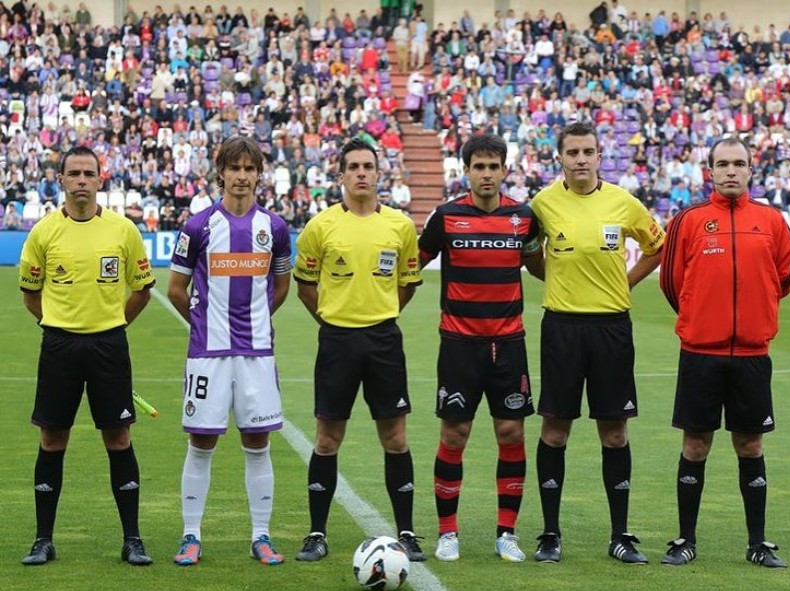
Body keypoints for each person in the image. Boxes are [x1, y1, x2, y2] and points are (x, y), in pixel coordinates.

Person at [526, 122, 665, 564]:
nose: (581, 159)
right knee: (555, 429)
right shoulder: (543, 204)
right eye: (573, 152)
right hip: (562, 328)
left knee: (615, 430)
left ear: (600, 156)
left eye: (589, 151)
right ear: (560, 158)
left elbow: (657, 247)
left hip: (611, 328)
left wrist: (626, 282)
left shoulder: (624, 202)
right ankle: (550, 534)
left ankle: (620, 535)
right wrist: (561, 280)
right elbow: (530, 254)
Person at [658, 137, 790, 568]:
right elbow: (671, 282)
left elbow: (784, 278)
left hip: (753, 354)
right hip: (701, 352)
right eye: (723, 164)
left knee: (751, 445)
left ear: (752, 169)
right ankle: (685, 540)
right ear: (710, 171)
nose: (731, 171)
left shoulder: (772, 221)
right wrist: (702, 317)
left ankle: (757, 544)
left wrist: (753, 317)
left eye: (739, 163)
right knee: (696, 444)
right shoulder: (690, 220)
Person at [18, 146, 155, 566]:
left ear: (101, 180)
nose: (81, 180)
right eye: (73, 173)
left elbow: (142, 289)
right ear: (60, 180)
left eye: (88, 173)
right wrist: (59, 323)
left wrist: (112, 323)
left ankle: (132, 539)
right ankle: (43, 539)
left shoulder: (124, 230)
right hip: (59, 345)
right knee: (52, 437)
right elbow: (30, 294)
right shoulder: (43, 232)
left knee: (118, 437)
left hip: (109, 345)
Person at [292, 138, 425, 562]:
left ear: (378, 172)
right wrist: (333, 320)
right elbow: (305, 286)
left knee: (396, 438)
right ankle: (316, 534)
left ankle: (406, 531)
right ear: (341, 175)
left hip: (384, 339)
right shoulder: (321, 226)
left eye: (368, 165)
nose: (362, 173)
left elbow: (407, 284)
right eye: (354, 167)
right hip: (337, 341)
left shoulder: (400, 227)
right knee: (328, 439)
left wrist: (379, 315)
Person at [168, 136, 292, 566]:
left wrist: (256, 319)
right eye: (234, 168)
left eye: (249, 169)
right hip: (209, 353)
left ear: (259, 174)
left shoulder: (273, 228)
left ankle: (261, 535)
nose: (241, 176)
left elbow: (280, 286)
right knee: (201, 441)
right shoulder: (198, 226)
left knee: (258, 442)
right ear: (220, 172)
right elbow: (176, 290)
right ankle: (190, 535)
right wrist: (204, 323)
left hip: (257, 352)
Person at [418, 134, 540, 563]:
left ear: (504, 169)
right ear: (466, 170)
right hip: (459, 344)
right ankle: (447, 532)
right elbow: (415, 262)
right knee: (455, 434)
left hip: (508, 344)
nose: (486, 174)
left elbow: (538, 263)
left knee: (511, 432)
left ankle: (506, 533)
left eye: (493, 166)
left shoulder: (523, 218)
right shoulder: (446, 217)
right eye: (478, 166)